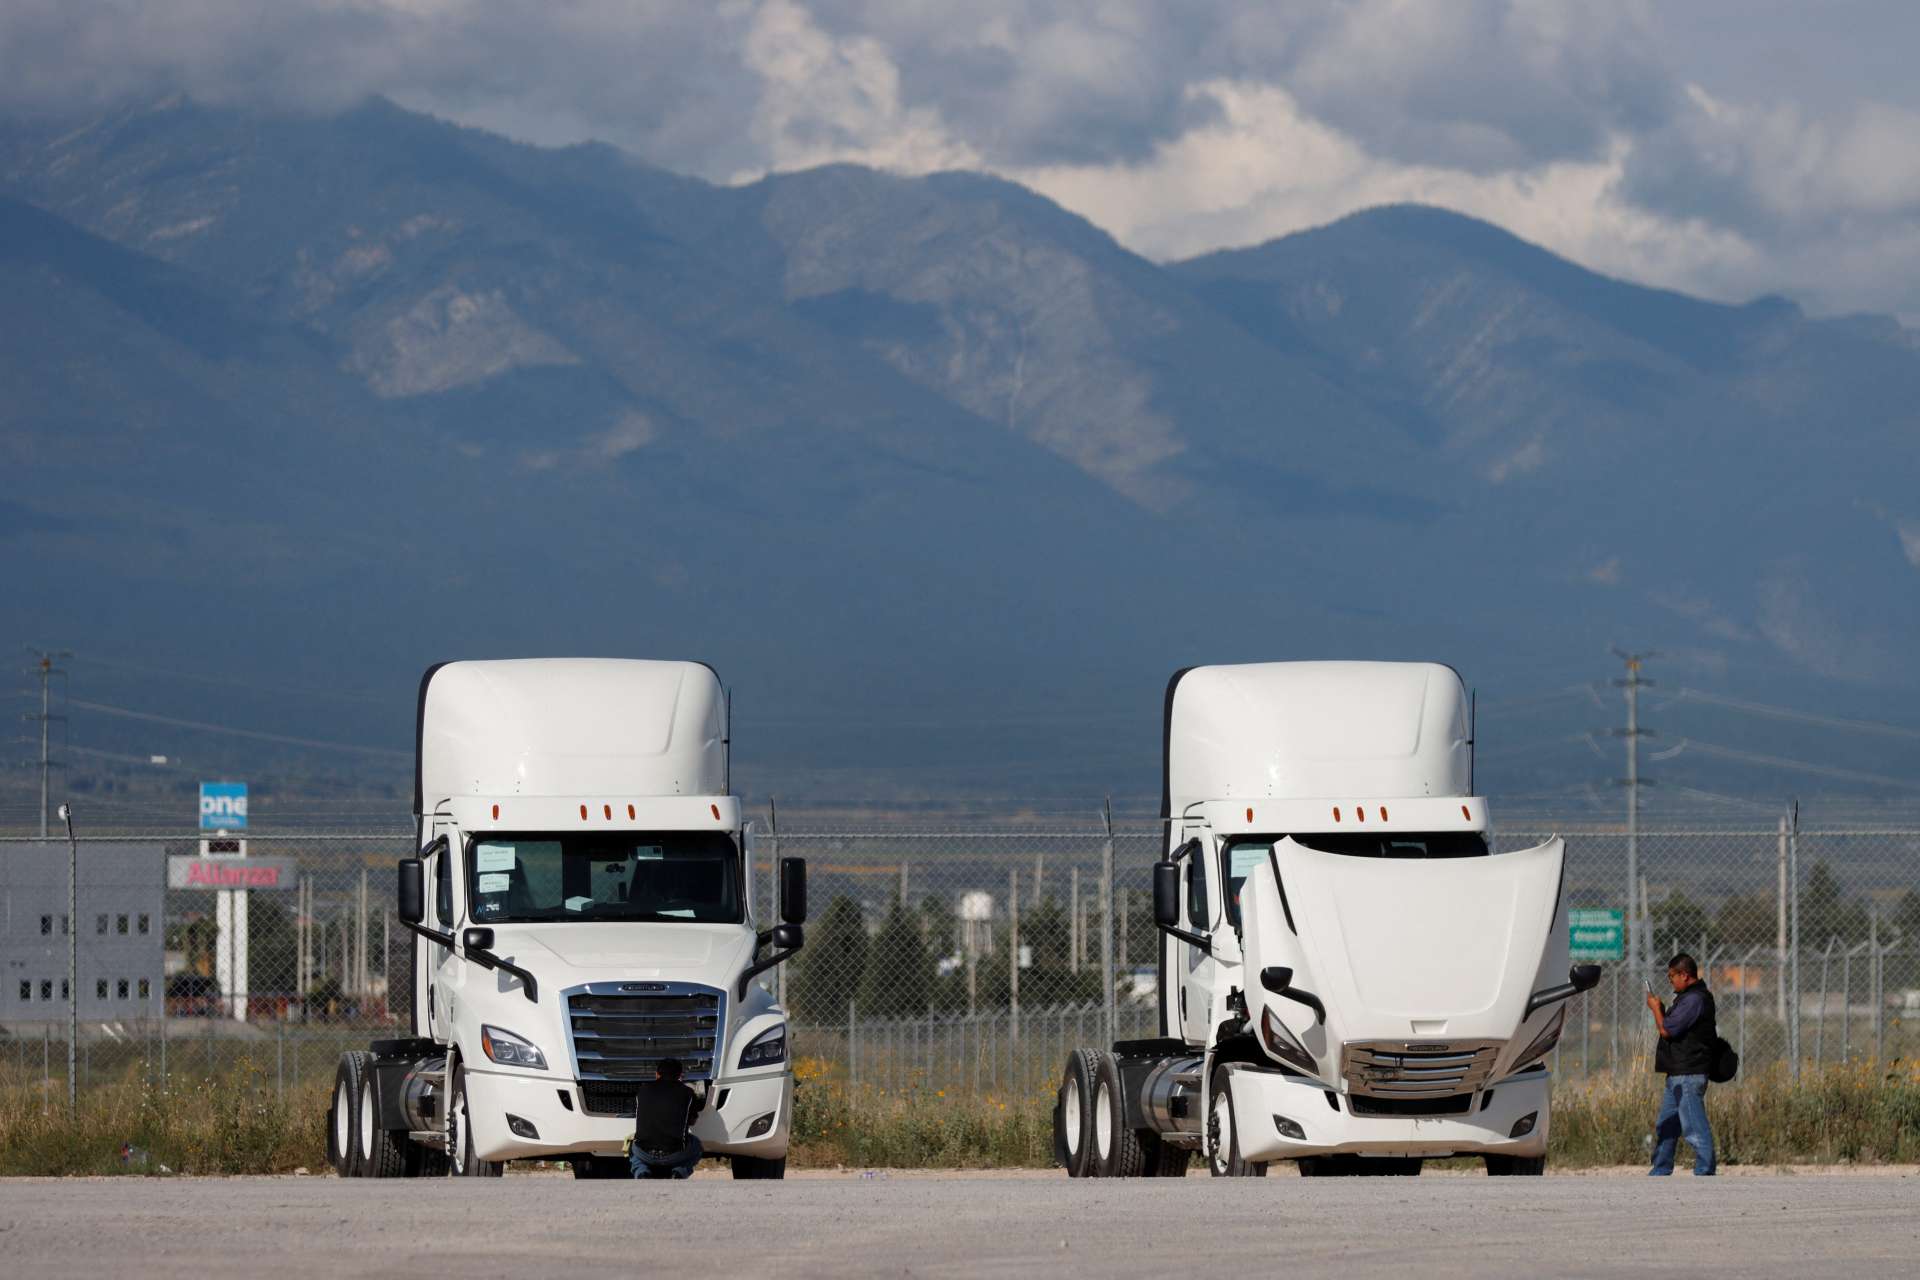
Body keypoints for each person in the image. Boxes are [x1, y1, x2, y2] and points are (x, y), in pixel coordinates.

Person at [1645, 952, 1717, 1176]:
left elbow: (1666, 1030)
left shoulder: (1694, 999)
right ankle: (1661, 1168)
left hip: (1688, 1072)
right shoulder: (1687, 999)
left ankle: (1705, 1170)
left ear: (1684, 975)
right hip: (1677, 1072)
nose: (1670, 981)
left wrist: (1656, 1009)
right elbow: (1675, 1027)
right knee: (1666, 1125)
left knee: (1693, 1126)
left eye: (1672, 977)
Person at [629, 1057, 706, 1179]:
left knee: (631, 1145)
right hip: (674, 1154)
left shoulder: (642, 1090)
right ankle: (679, 1171)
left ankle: (641, 1171)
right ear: (680, 1076)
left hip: (644, 1153)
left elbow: (639, 1115)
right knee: (697, 1145)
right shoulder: (687, 1092)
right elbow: (692, 1121)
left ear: (657, 1074)